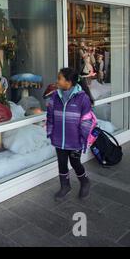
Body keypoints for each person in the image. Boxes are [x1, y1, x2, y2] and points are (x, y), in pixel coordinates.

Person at [46, 67, 95, 201]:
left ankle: (85, 182)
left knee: (75, 163)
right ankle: (65, 186)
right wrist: (50, 131)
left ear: (68, 82)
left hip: (75, 140)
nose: (57, 81)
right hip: (59, 139)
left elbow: (86, 120)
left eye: (59, 78)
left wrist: (83, 139)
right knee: (62, 163)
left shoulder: (82, 98)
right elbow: (50, 114)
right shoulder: (56, 95)